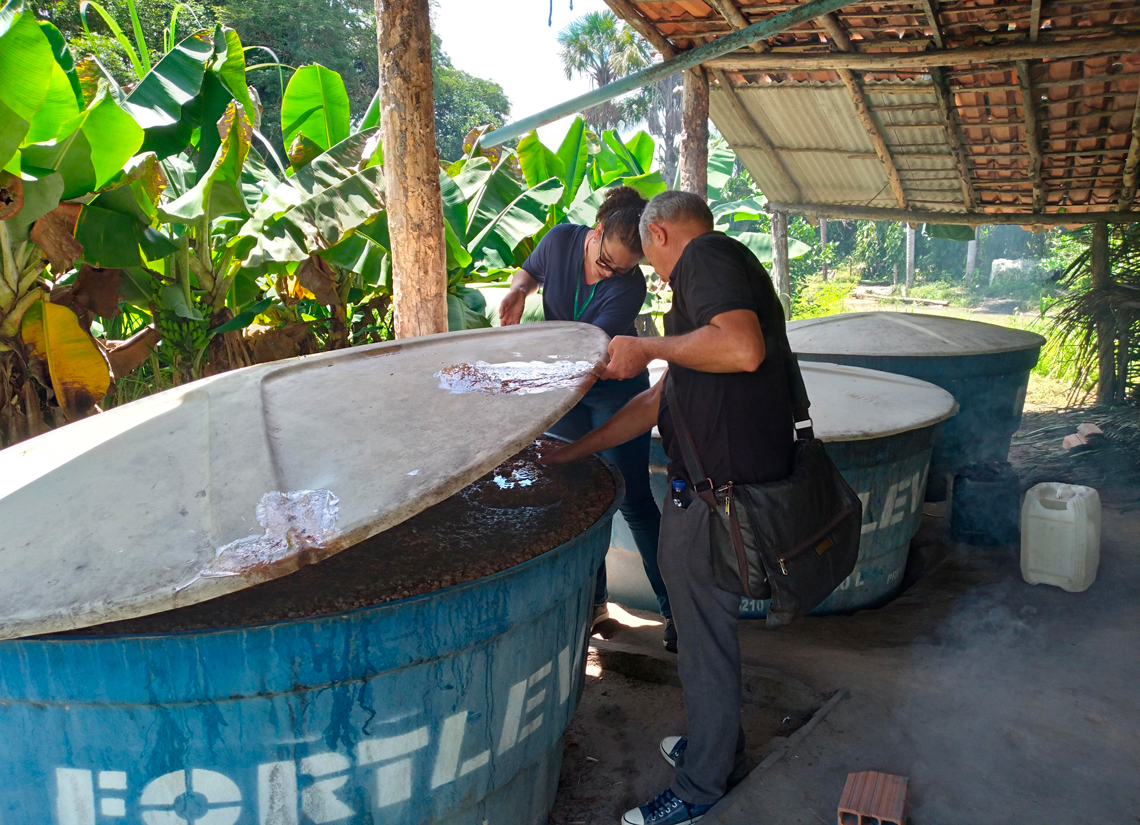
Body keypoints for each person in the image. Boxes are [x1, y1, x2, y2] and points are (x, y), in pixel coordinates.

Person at [540, 190, 795, 825]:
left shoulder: (704, 259)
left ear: (657, 235)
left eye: (647, 262)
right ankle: (718, 747)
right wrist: (575, 453)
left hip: (718, 494)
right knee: (703, 627)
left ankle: (702, 784)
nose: (650, 278)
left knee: (704, 638)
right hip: (710, 489)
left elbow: (744, 349)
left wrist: (650, 347)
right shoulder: (711, 287)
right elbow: (658, 403)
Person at [498, 186, 675, 650]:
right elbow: (529, 272)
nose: (610, 275)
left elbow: (585, 351)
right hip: (565, 393)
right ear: (595, 234)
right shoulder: (559, 240)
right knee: (577, 495)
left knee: (633, 498)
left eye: (622, 270)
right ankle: (592, 602)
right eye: (605, 264)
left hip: (611, 392)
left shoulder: (629, 286)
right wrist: (518, 292)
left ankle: (676, 610)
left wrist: (519, 377)